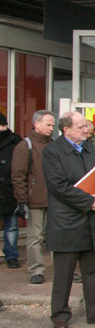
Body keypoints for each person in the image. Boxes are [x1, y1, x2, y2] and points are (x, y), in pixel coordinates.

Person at [42, 111, 95, 328]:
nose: (86, 130)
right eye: (81, 127)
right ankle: (60, 314)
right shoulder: (52, 152)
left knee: (94, 269)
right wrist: (88, 201)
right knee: (64, 273)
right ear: (66, 129)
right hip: (67, 220)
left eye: (86, 126)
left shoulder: (90, 148)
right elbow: (58, 186)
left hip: (92, 219)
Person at [12, 110, 54, 284]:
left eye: (53, 125)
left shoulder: (53, 145)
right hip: (35, 199)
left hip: (54, 199)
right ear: (36, 124)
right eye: (48, 124)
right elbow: (18, 175)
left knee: (57, 236)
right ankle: (36, 270)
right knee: (35, 237)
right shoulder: (25, 146)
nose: (52, 128)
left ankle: (63, 269)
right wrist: (22, 200)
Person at [0, 113, 22, 271]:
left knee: (11, 226)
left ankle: (11, 255)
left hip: (10, 191)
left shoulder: (16, 142)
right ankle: (11, 256)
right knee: (11, 226)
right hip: (10, 189)